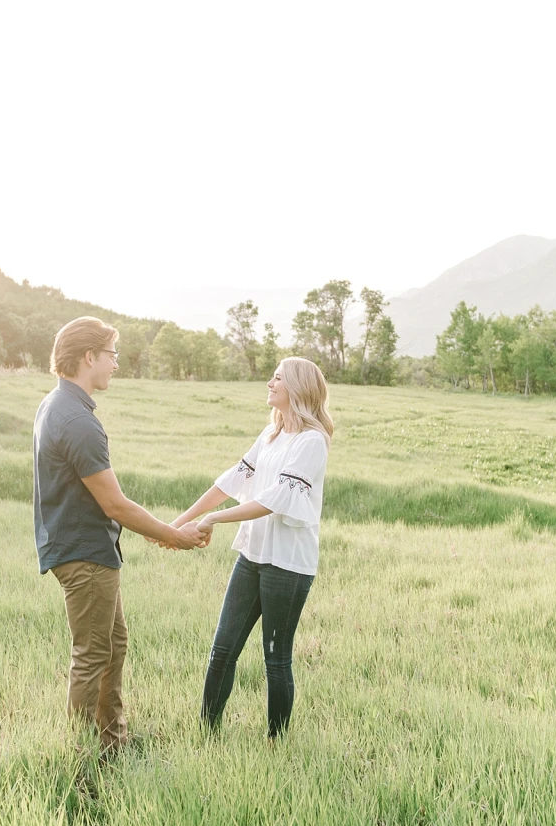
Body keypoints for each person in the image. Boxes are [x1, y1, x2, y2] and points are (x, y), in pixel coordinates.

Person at [33, 316, 206, 753]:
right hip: (85, 552)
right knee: (93, 655)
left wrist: (161, 531)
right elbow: (115, 504)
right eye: (112, 354)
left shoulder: (57, 404)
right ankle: (81, 757)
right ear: (89, 356)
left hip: (83, 547)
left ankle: (112, 741)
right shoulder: (77, 420)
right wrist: (173, 535)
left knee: (113, 645)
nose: (116, 364)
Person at [169, 356, 333, 739]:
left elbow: (275, 499)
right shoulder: (271, 435)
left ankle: (276, 745)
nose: (270, 384)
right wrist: (175, 524)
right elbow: (229, 482)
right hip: (252, 556)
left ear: (297, 387)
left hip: (288, 565)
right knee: (222, 649)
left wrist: (213, 520)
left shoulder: (312, 442)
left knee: (275, 659)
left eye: (277, 378)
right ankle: (207, 736)